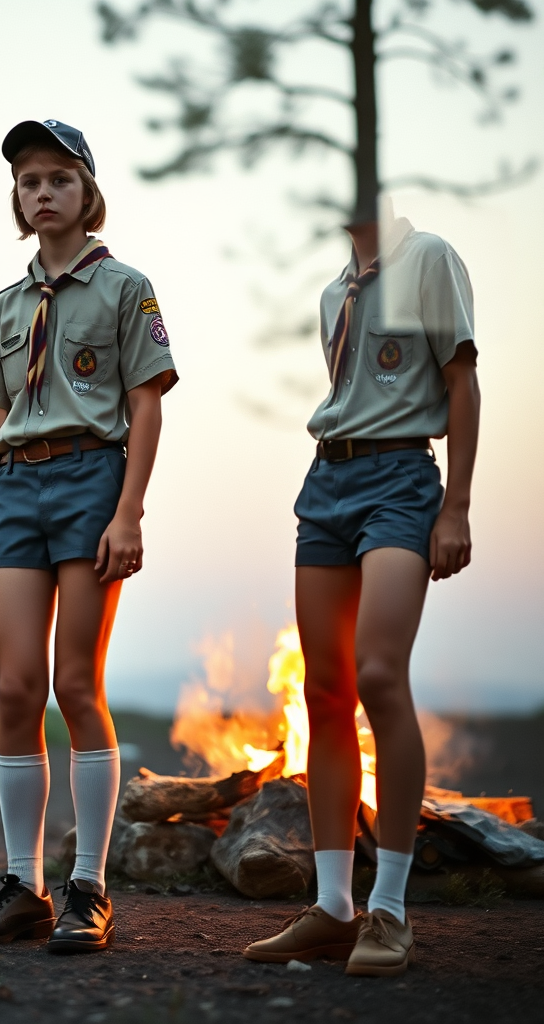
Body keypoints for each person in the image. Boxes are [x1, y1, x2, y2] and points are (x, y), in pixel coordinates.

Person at [0, 120, 177, 954]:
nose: (41, 192)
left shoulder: (125, 288)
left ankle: (90, 887)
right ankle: (24, 885)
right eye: (27, 181)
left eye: (57, 179)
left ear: (87, 192)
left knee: (76, 684)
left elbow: (147, 402)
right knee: (15, 689)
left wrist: (129, 510)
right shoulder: (3, 307)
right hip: (13, 489)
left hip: (90, 481)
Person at [242, 205, 479, 977]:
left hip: (401, 482)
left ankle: (392, 910)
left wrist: (457, 507)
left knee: (379, 672)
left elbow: (461, 380)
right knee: (325, 690)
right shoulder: (333, 292)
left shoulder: (429, 258)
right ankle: (335, 907)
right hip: (327, 481)